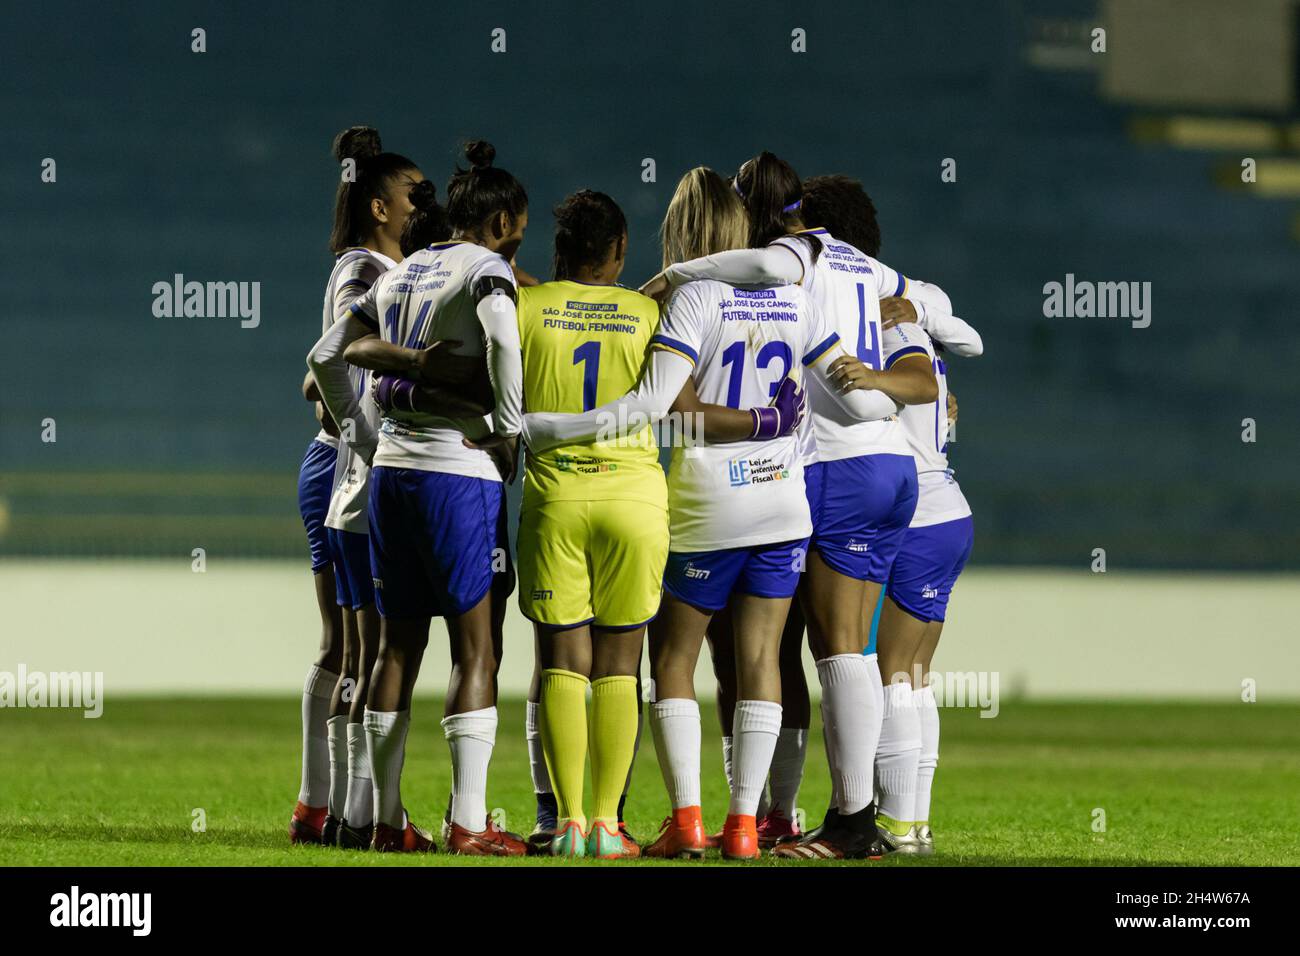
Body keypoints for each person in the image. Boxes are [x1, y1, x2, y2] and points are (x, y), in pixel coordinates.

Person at [523, 166, 898, 859]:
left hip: (704, 502)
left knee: (672, 658)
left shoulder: (688, 301)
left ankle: (684, 821)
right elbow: (852, 392)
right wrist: (905, 402)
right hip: (783, 502)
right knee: (762, 661)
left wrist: (548, 427)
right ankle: (747, 827)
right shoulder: (796, 297)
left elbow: (666, 409)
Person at [642, 154, 943, 859]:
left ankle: (846, 821)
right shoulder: (870, 273)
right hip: (890, 462)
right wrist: (880, 388)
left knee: (825, 650)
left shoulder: (793, 256)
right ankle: (854, 819)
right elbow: (944, 320)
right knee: (845, 651)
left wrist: (679, 273)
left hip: (823, 469)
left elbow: (766, 274)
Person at [307, 140, 527, 855]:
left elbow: (326, 356)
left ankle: (379, 818)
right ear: (500, 223)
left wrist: (365, 439)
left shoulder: (408, 271)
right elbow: (501, 341)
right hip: (457, 473)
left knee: (394, 648)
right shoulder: (488, 271)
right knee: (477, 649)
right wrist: (510, 427)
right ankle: (469, 823)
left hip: (392, 477)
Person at [290, 125, 422, 846]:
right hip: (347, 463)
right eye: (412, 193)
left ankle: (327, 807)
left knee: (343, 647)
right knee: (356, 648)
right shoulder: (366, 271)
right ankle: (349, 810)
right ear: (378, 205)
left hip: (336, 460)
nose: (419, 205)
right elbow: (320, 374)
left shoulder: (373, 263)